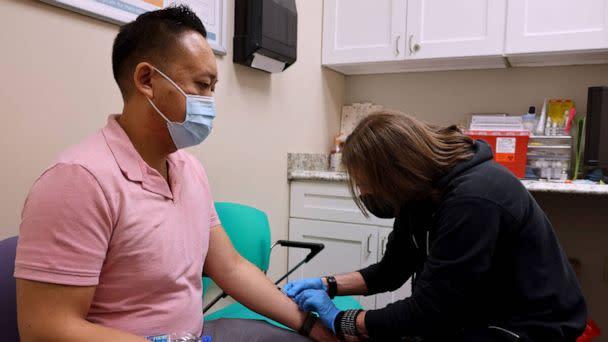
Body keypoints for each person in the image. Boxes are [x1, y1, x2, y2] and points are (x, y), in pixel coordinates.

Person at [14, 6, 334, 342]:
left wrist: (309, 325)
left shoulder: (188, 169)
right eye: (202, 84)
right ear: (147, 80)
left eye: (213, 88)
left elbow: (231, 268)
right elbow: (46, 328)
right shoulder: (78, 181)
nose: (210, 101)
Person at [283, 111, 587, 341]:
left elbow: (430, 310)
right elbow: (393, 269)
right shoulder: (418, 191)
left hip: (528, 325)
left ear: (395, 174)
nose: (364, 194)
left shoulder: (474, 199)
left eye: (366, 184)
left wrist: (343, 321)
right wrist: (328, 284)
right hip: (475, 310)